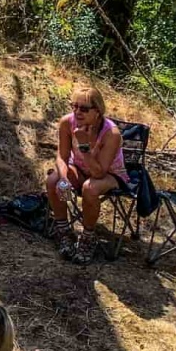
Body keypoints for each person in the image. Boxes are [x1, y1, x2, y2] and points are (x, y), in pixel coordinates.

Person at [46, 87, 127, 263]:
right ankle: (63, 230)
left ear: (97, 111)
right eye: (74, 106)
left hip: (110, 175)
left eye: (83, 108)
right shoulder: (67, 122)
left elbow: (99, 172)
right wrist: (64, 178)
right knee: (53, 181)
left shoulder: (111, 133)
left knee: (89, 188)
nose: (77, 112)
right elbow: (62, 156)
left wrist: (84, 145)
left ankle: (88, 237)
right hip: (79, 168)